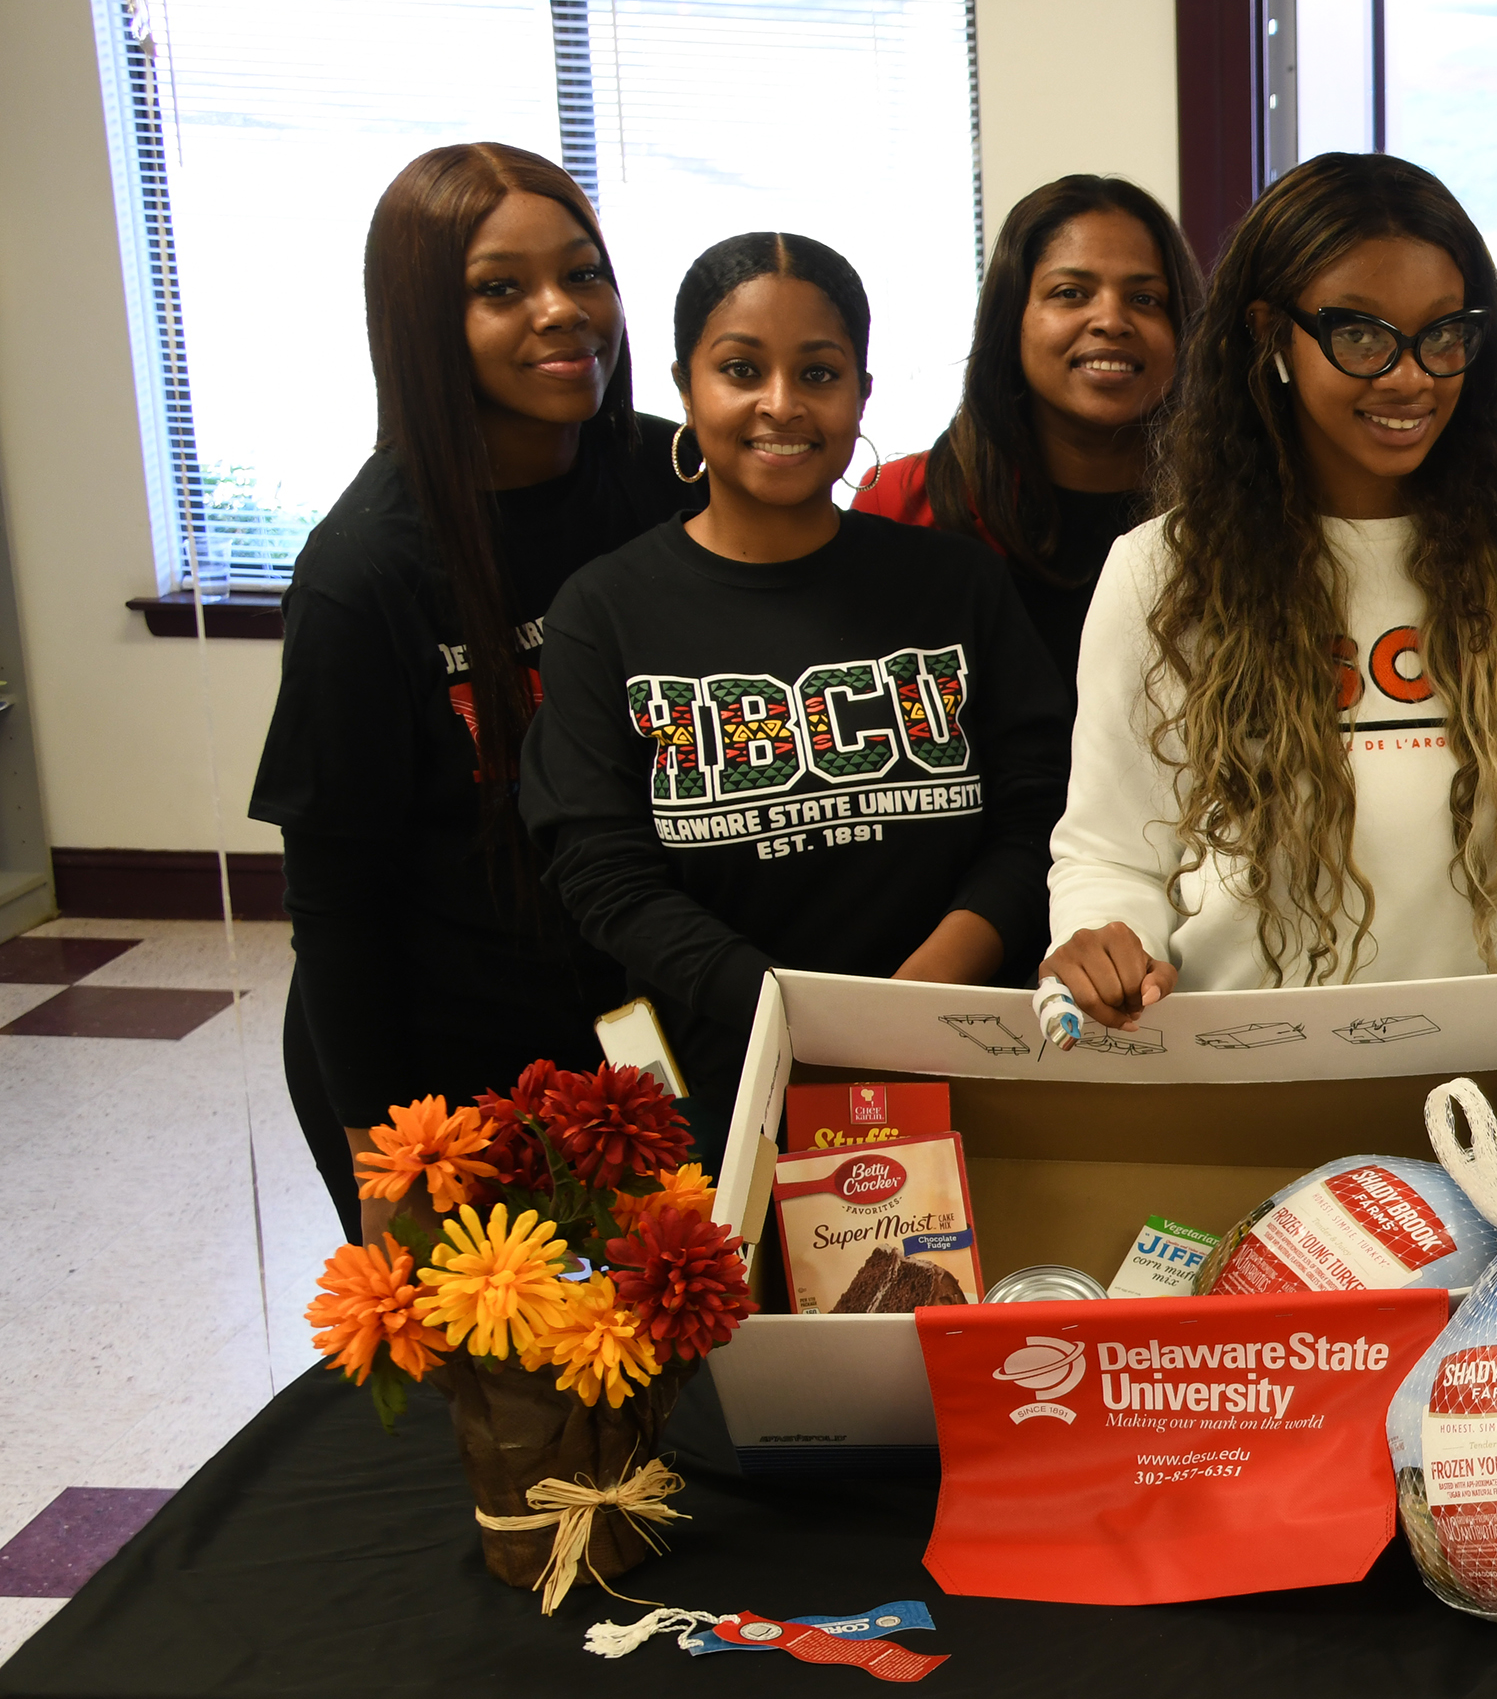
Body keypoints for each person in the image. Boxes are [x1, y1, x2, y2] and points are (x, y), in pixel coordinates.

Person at [1039, 154, 1497, 1026]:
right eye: (1362, 335)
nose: (1410, 375)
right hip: (1251, 1065)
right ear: (1270, 335)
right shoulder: (1162, 571)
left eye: (1445, 333)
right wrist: (1104, 939)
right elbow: (1113, 855)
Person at [522, 234, 1069, 1151]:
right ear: (686, 389)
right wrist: (791, 1014)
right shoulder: (603, 610)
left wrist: (913, 1002)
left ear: (861, 392)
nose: (781, 403)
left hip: (963, 1061)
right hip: (721, 1088)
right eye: (740, 369)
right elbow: (600, 872)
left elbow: (1040, 813)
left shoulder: (959, 586)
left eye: (818, 372)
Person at [250, 143, 690, 1236]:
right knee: (509, 1387)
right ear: (420, 320)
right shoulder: (366, 571)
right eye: (501, 289)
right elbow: (336, 903)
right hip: (439, 1056)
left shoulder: (667, 477)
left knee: (663, 1361)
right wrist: (379, 1153)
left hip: (635, 1027)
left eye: (583, 273)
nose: (562, 312)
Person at [852, 173, 1196, 677]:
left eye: (1145, 299)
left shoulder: (1235, 510)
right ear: (1011, 317)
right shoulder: (903, 504)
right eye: (1071, 293)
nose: (1111, 320)